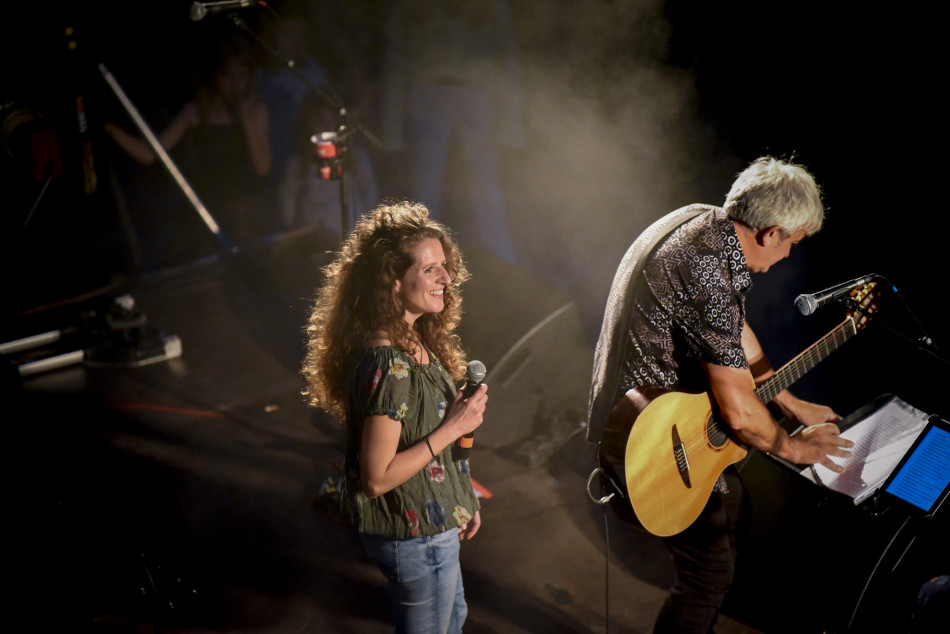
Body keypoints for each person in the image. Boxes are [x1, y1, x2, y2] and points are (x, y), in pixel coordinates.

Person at [587, 157, 854, 633]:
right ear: (772, 232)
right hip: (648, 444)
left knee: (731, 515)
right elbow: (738, 414)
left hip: (662, 421)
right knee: (709, 577)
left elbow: (732, 329)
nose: (790, 255)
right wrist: (795, 447)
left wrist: (789, 402)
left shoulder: (704, 224)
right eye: (793, 243)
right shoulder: (708, 266)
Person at [302, 201, 487, 633]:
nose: (446, 278)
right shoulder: (389, 363)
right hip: (416, 538)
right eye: (430, 270)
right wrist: (453, 426)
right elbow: (377, 477)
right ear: (393, 281)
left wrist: (461, 499)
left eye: (445, 266)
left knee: (453, 621)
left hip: (435, 524)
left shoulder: (413, 340)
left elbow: (423, 437)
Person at [104, 32, 274, 259]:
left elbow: (263, 168)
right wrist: (112, 131)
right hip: (208, 216)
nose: (236, 84)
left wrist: (246, 119)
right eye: (228, 76)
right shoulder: (196, 112)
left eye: (242, 76)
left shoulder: (256, 111)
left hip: (249, 215)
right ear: (215, 76)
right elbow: (151, 155)